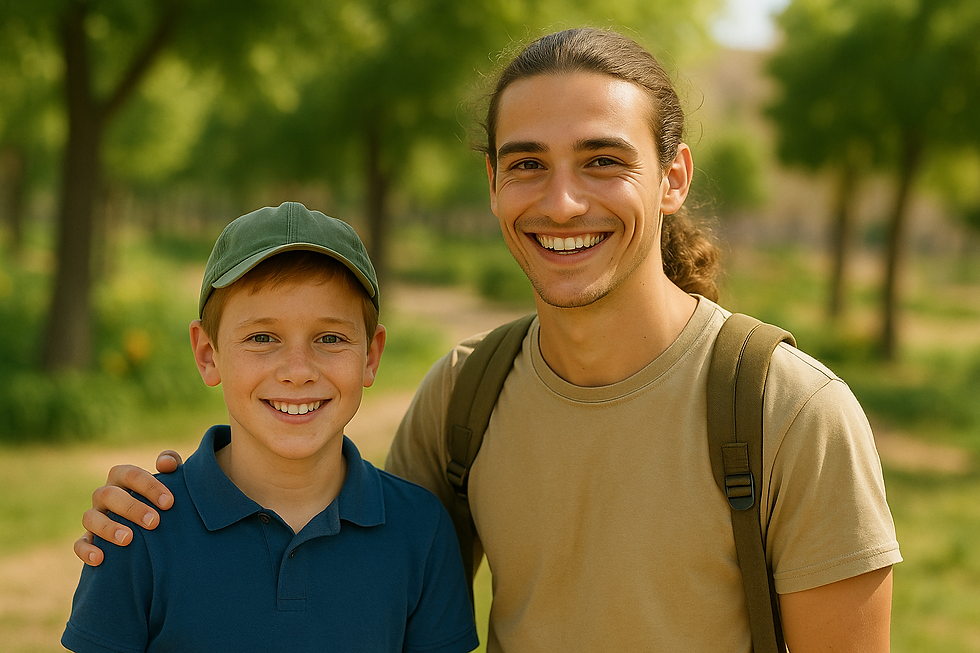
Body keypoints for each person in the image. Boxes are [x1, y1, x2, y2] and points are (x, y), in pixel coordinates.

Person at [74, 29, 901, 653]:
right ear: (494, 184)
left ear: (674, 177)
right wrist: (154, 511)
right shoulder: (466, 398)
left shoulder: (790, 411)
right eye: (528, 163)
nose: (563, 202)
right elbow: (360, 563)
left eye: (603, 160)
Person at [62, 201, 478, 653]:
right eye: (262, 338)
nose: (297, 371)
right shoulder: (138, 529)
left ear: (371, 356)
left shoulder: (420, 529)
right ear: (207, 354)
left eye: (330, 338)